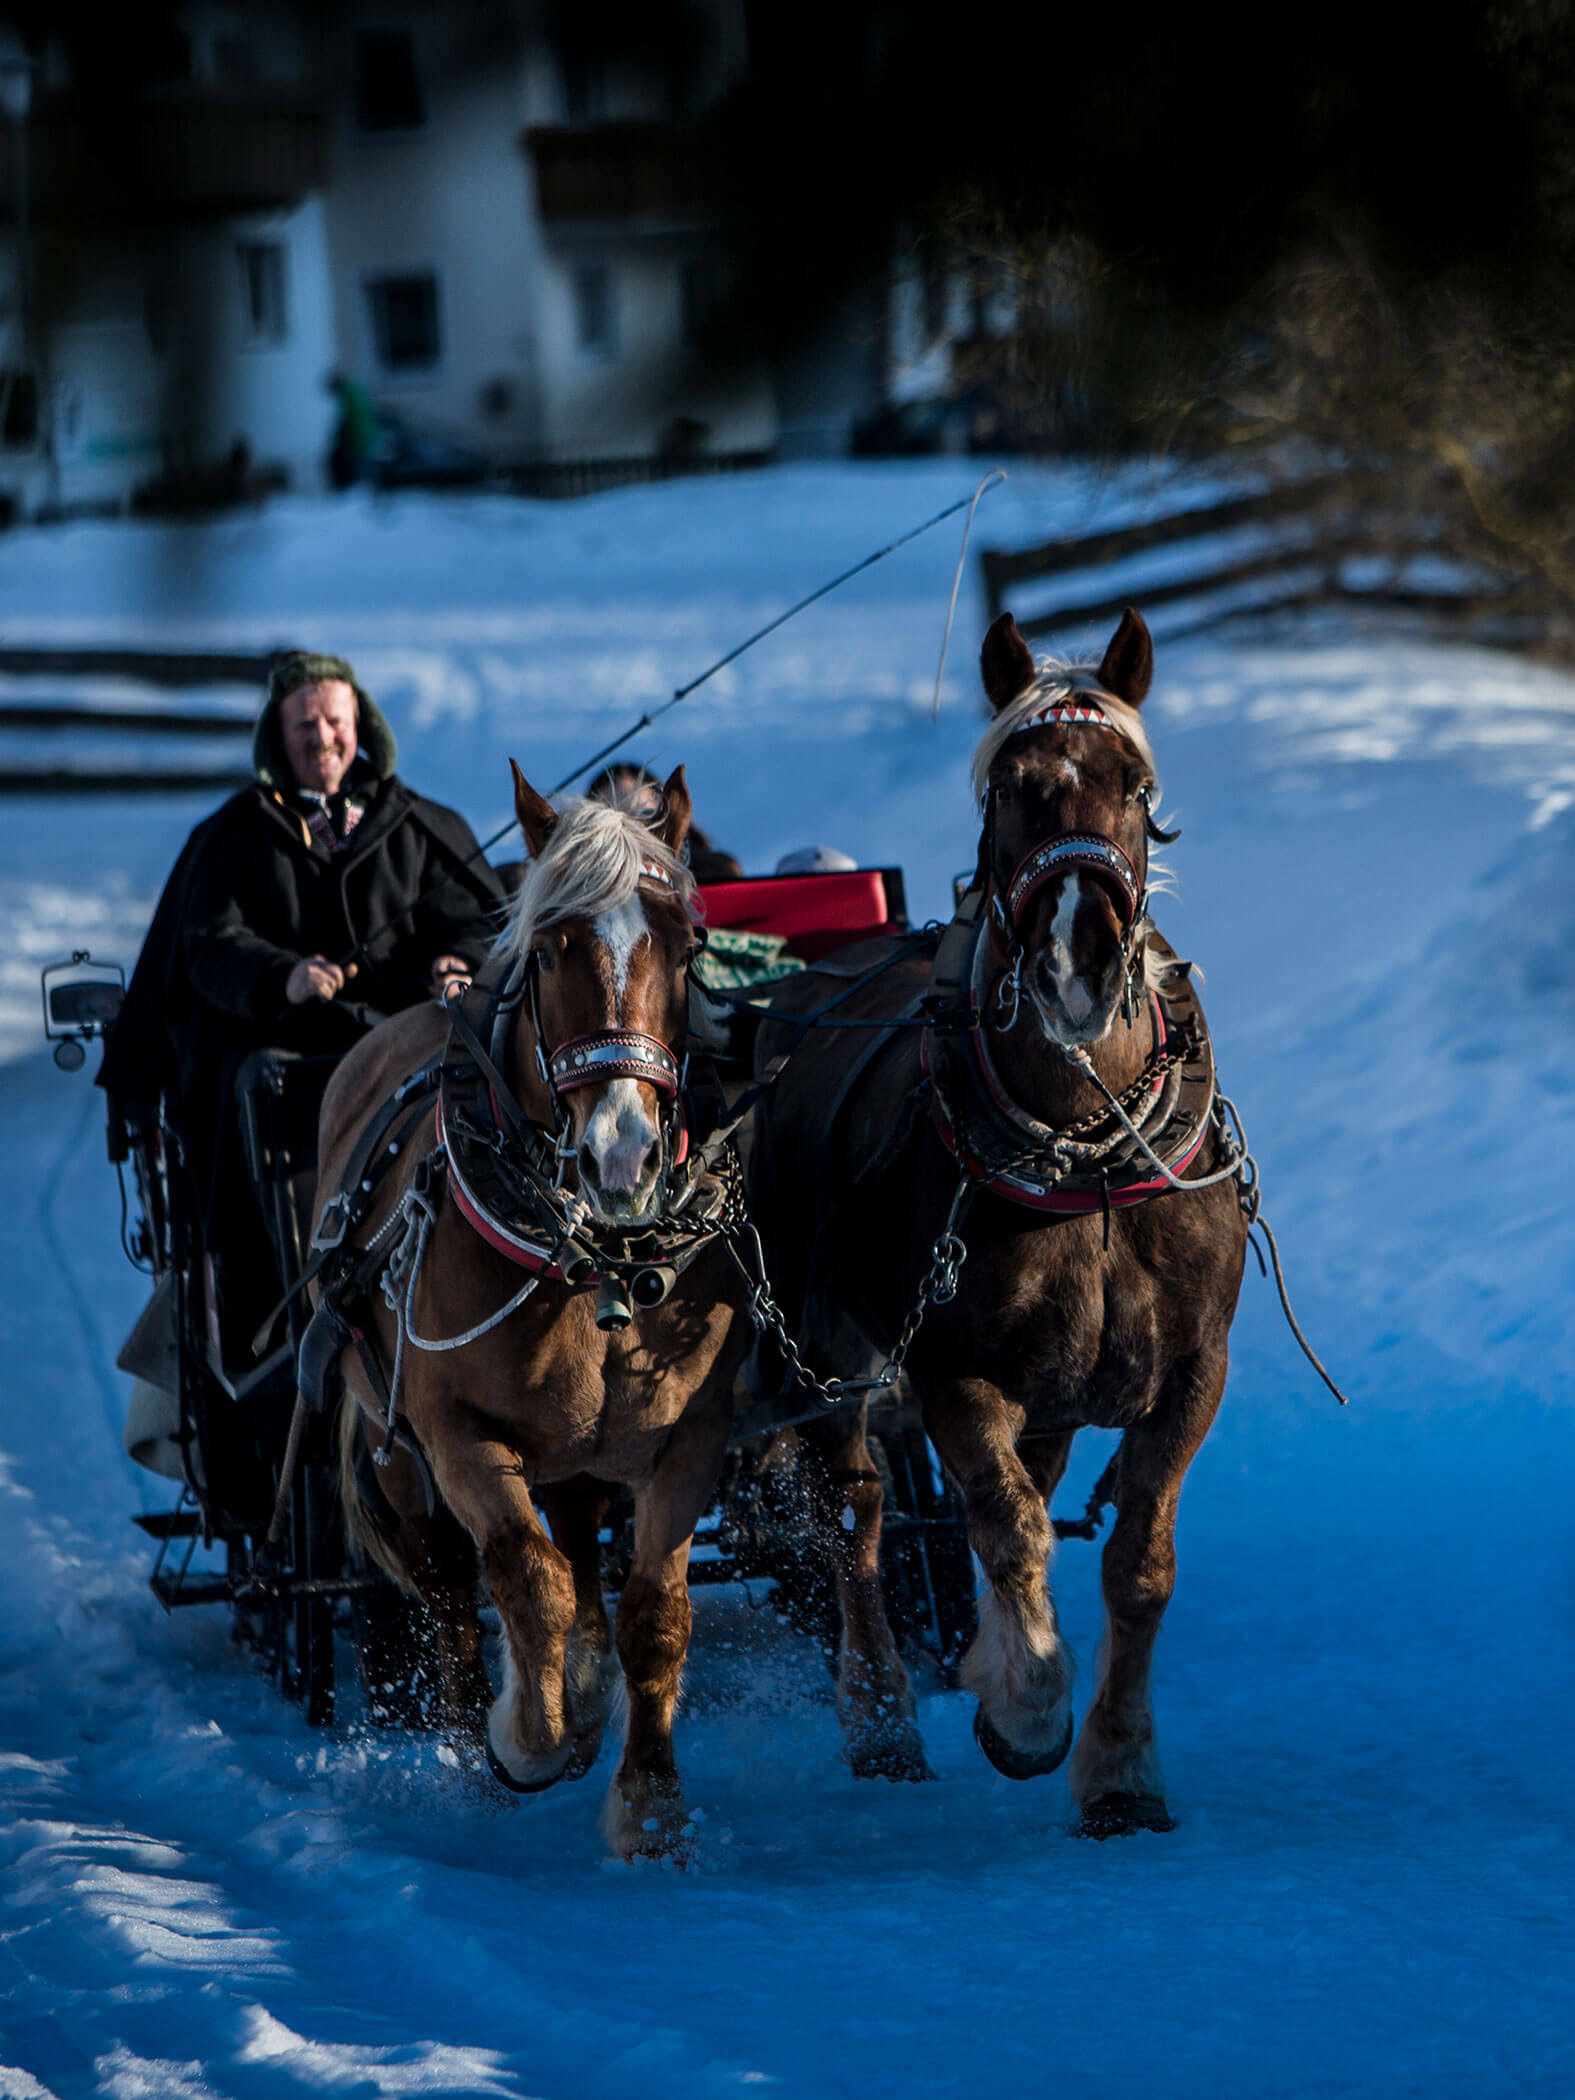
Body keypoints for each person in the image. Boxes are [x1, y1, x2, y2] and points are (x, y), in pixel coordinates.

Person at [100, 652, 504, 1345]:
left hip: (401, 1033)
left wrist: (456, 960)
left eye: (334, 721)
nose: (321, 738)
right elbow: (207, 943)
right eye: (304, 724)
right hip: (279, 1045)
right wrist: (281, 976)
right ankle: (284, 1313)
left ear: (362, 727)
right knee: (257, 1087)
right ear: (276, 739)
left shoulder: (421, 827)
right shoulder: (235, 837)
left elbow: (476, 919)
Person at [585, 762, 744, 883]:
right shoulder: (581, 882)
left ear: (665, 810)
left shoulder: (715, 870)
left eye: (640, 812)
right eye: (612, 816)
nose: (626, 825)